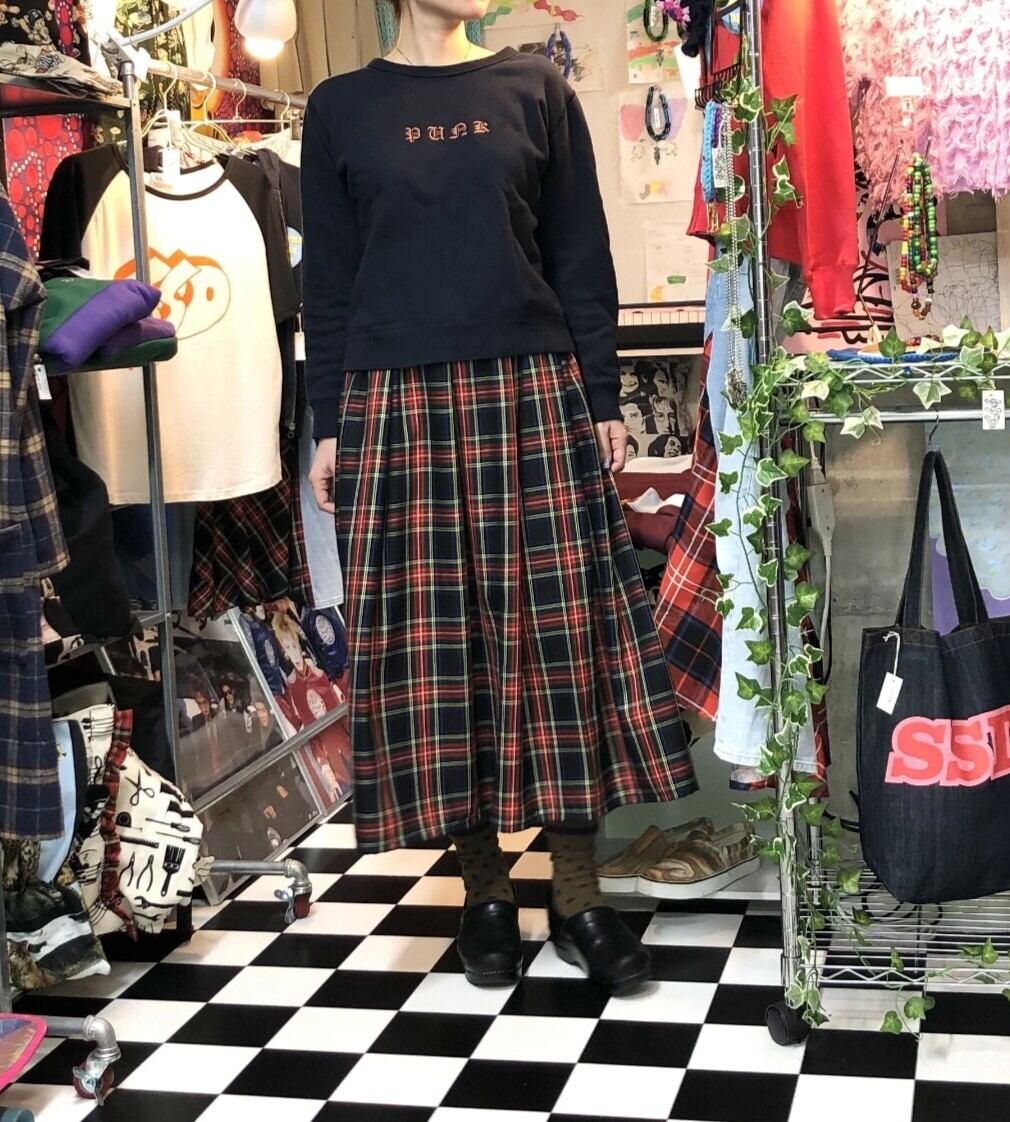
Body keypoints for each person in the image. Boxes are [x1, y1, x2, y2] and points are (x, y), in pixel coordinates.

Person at [303, 0, 697, 996]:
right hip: (395, 402)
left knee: (562, 638)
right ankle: (483, 891)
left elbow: (579, 254)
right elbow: (330, 287)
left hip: (531, 389)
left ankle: (577, 894)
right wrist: (328, 422)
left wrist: (599, 395)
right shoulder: (340, 107)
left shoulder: (535, 88)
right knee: (439, 651)